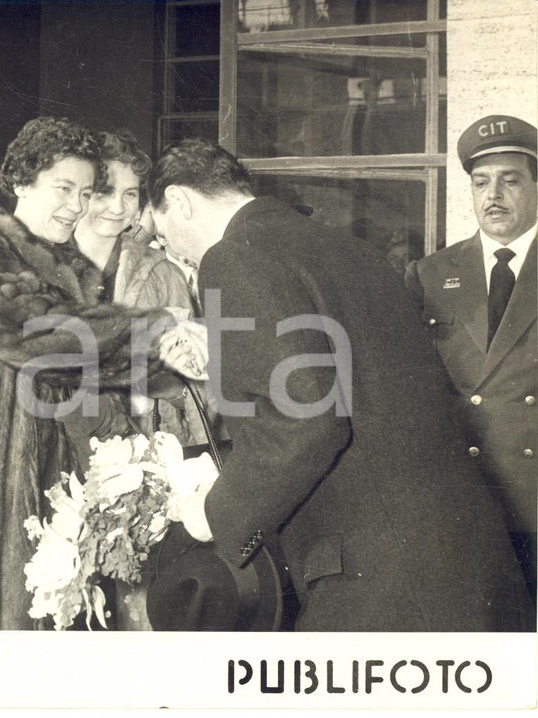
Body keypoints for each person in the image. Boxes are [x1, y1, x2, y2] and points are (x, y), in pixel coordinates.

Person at [149, 139, 532, 631]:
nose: (174, 254)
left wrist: (214, 512)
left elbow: (303, 421)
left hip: (381, 581)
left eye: (163, 236)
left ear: (179, 201)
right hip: (457, 561)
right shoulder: (348, 248)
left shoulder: (231, 256)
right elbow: (352, 377)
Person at [0, 117, 178, 629]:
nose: (76, 206)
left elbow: (81, 363)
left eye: (86, 193)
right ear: (22, 182)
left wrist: (168, 359)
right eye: (63, 189)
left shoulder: (66, 265)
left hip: (49, 474)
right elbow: (37, 332)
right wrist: (156, 333)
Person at [405, 114, 537, 602]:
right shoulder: (430, 274)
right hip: (462, 498)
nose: (493, 195)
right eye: (481, 182)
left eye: (510, 180)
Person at [74, 130, 201, 446]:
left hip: (145, 452)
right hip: (63, 448)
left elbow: (200, 388)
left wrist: (174, 384)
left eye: (130, 194)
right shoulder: (42, 271)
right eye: (104, 192)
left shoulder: (162, 273)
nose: (118, 207)